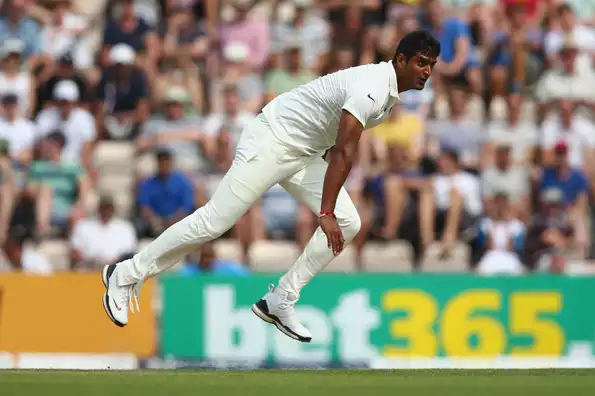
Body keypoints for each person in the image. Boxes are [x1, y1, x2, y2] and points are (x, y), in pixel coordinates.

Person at [101, 30, 440, 342]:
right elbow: (344, 151)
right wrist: (324, 212)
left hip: (302, 152)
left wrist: (329, 209)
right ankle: (126, 273)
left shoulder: (387, 91)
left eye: (431, 66)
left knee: (350, 221)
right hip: (272, 140)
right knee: (215, 221)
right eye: (421, 63)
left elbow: (335, 144)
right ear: (400, 60)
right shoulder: (373, 86)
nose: (426, 71)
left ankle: (280, 300)